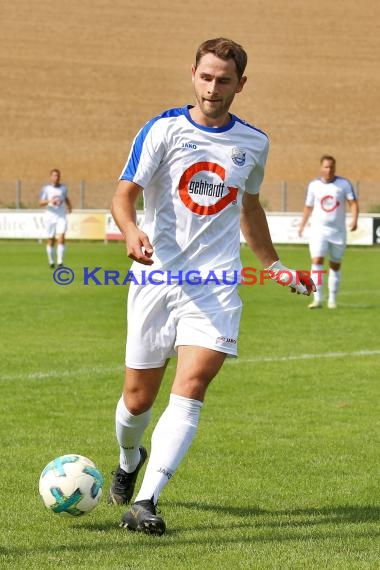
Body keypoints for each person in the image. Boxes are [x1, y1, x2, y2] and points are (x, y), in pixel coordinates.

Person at [109, 37, 315, 536]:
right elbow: (124, 195)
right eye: (206, 76)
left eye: (224, 80)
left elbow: (249, 207)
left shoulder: (253, 143)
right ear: (193, 75)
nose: (213, 87)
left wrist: (275, 264)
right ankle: (128, 457)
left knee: (192, 386)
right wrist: (132, 230)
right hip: (156, 279)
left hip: (216, 285)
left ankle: (146, 500)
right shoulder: (162, 130)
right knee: (137, 400)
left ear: (240, 84)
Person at [298, 155, 359, 309]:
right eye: (326, 166)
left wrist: (355, 219)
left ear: (335, 168)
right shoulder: (314, 185)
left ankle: (332, 299)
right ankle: (317, 299)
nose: (329, 169)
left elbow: (353, 203)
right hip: (318, 231)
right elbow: (308, 206)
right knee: (317, 260)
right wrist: (302, 225)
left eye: (331, 166)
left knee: (335, 265)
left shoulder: (343, 184)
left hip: (338, 232)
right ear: (321, 167)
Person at [39, 168, 72, 268]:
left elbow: (65, 198)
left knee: (61, 238)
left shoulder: (63, 188)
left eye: (57, 175)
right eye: (54, 175)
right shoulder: (46, 189)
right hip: (50, 216)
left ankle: (60, 262)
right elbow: (40, 202)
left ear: (59, 177)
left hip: (61, 215)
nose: (56, 177)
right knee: (51, 240)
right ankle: (51, 262)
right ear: (51, 177)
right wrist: (50, 201)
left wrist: (69, 206)